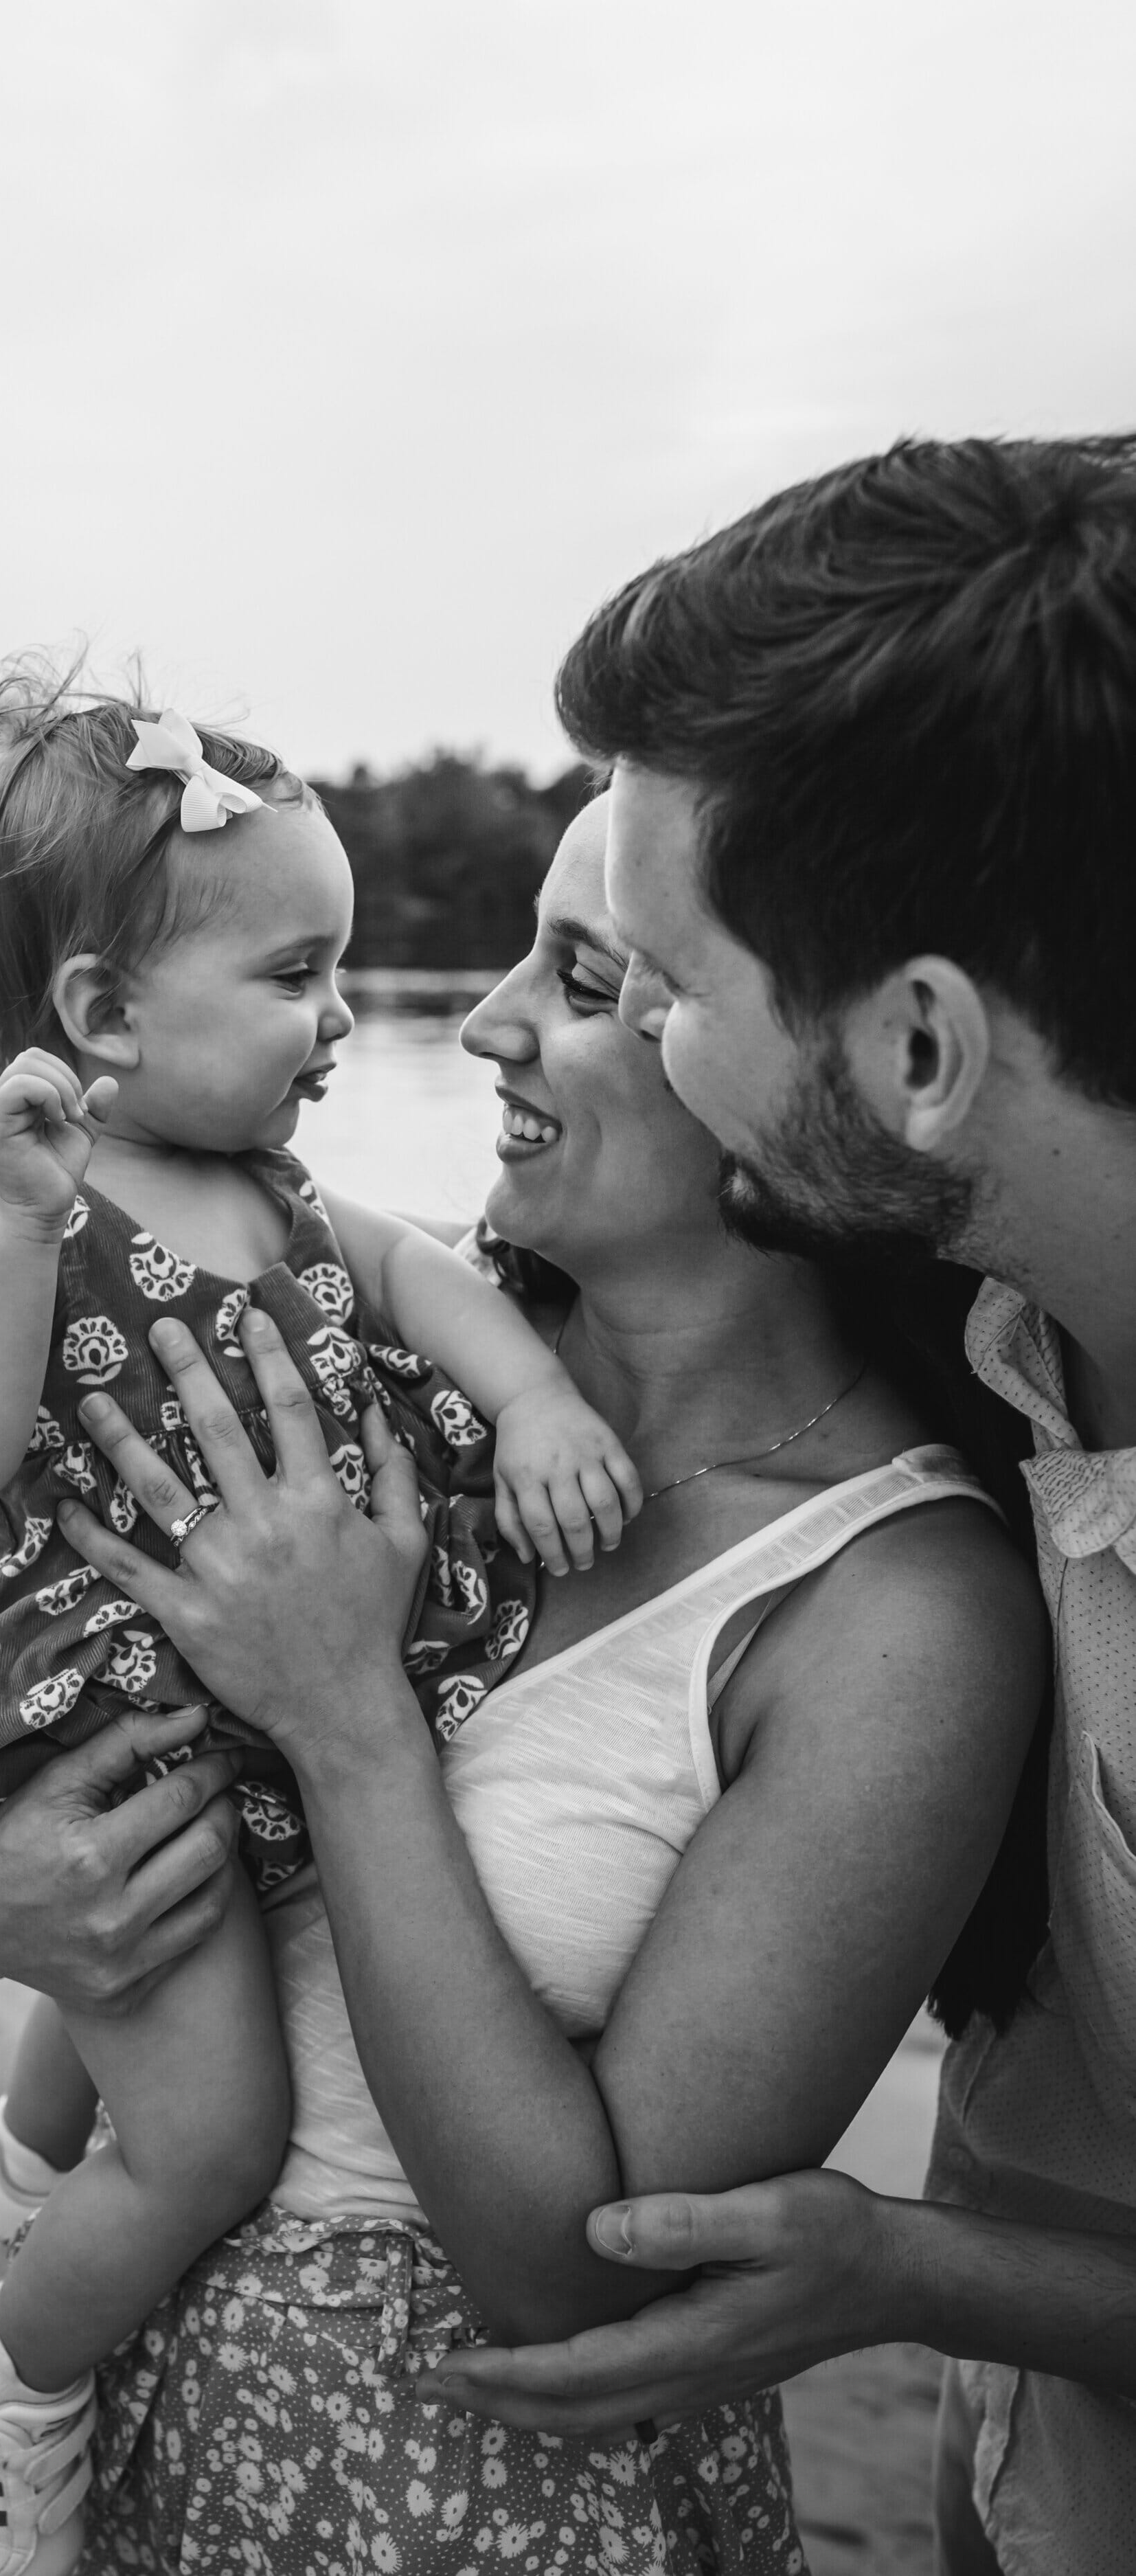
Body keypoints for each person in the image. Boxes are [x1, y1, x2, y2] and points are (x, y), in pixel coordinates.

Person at [0, 795, 1047, 2576]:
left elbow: (580, 2277)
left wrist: (350, 1721)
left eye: (586, 974)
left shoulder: (897, 1606)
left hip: (469, 2505)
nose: (482, 1018)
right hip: (131, 2420)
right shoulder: (358, 1332)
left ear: (807, 1065)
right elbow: (51, 1647)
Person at [0, 656, 644, 2576]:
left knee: (188, 1951)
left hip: (235, 1695)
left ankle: (21, 2163)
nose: (344, 1018)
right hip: (112, 1702)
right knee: (211, 2134)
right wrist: (10, 1237)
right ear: (98, 1012)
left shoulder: (274, 1193)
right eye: (292, 980)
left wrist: (530, 1401)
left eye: (337, 970)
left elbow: (429, 1277)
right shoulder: (30, 1203)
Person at [423, 435, 1136, 2576]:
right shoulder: (1015, 1335)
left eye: (660, 985)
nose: (598, 1027)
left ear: (916, 1046)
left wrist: (909, 2277)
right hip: (1027, 2482)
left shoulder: (903, 1575)